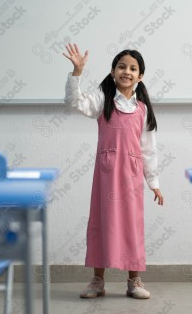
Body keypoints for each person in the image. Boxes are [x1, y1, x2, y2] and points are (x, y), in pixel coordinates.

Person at [63, 43, 164, 300]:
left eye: (133, 68)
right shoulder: (102, 99)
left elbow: (149, 149)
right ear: (112, 71)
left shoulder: (142, 110)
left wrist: (153, 182)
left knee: (132, 224)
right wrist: (77, 72)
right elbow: (74, 102)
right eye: (121, 67)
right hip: (106, 176)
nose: (126, 72)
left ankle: (134, 281)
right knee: (101, 221)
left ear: (140, 76)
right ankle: (98, 280)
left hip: (131, 175)